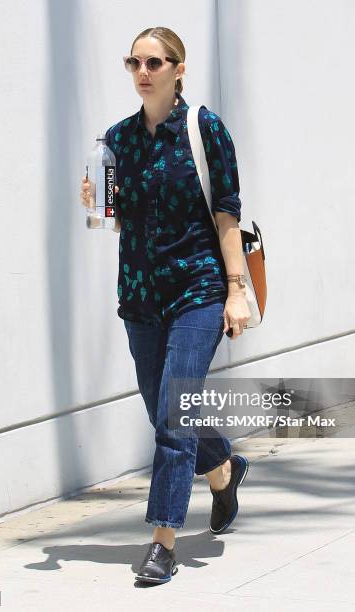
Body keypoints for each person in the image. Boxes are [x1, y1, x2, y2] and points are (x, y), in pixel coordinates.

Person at [80, 26, 251, 585]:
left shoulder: (204, 129)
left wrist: (237, 289)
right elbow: (120, 219)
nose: (142, 71)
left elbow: (226, 213)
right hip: (141, 294)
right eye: (133, 62)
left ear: (179, 68)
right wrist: (99, 204)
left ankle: (162, 540)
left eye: (154, 61)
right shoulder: (117, 140)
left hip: (198, 289)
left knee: (176, 414)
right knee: (164, 411)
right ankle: (224, 470)